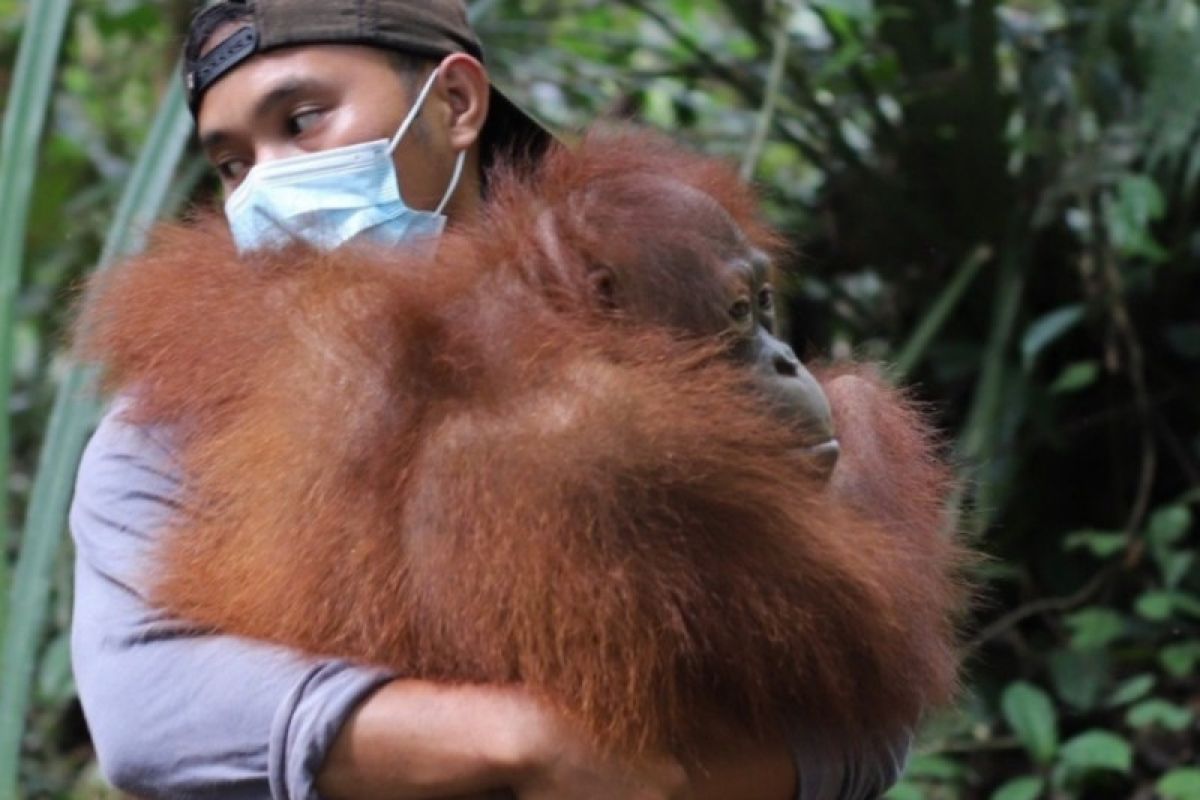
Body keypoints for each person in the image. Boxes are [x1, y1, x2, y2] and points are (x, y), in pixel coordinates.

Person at [69, 1, 909, 798]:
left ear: (457, 101)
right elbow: (145, 704)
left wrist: (656, 777)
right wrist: (524, 743)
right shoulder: (174, 414)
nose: (268, 185)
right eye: (231, 164)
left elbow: (860, 721)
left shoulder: (620, 292)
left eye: (302, 121)